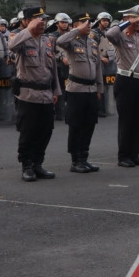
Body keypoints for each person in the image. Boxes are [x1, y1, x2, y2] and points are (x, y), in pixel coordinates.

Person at [8, 7, 61, 182]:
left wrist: (56, 90)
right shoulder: (22, 39)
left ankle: (38, 163)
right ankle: (27, 165)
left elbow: (52, 68)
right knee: (28, 131)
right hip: (28, 94)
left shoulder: (47, 41)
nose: (42, 23)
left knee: (45, 130)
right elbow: (11, 46)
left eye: (44, 20)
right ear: (27, 20)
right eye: (38, 19)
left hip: (46, 93)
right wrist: (28, 30)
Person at [56, 12, 104, 173]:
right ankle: (75, 160)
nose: (88, 25)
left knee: (89, 125)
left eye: (89, 22)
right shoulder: (71, 41)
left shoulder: (92, 42)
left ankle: (84, 157)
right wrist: (76, 30)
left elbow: (97, 67)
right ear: (75, 25)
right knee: (76, 125)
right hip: (76, 89)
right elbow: (60, 41)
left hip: (91, 89)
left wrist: (99, 87)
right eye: (83, 22)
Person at [106, 5, 139, 168]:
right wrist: (126, 23)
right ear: (127, 20)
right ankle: (124, 156)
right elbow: (109, 33)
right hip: (125, 81)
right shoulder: (120, 37)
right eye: (135, 19)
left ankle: (135, 154)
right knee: (127, 120)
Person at [47, 13, 72, 121]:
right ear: (57, 23)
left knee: (69, 89)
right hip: (57, 66)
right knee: (58, 89)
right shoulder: (52, 36)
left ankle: (68, 112)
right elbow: (49, 52)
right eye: (62, 22)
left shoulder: (70, 35)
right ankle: (58, 112)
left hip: (70, 66)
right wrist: (60, 58)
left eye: (66, 22)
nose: (65, 24)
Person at [93, 12, 117, 117]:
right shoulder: (94, 33)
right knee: (100, 85)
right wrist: (101, 58)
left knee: (110, 86)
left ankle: (109, 108)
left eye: (107, 20)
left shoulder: (109, 32)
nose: (106, 22)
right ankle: (99, 109)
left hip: (111, 62)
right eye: (103, 20)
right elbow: (91, 49)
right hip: (99, 62)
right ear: (99, 21)